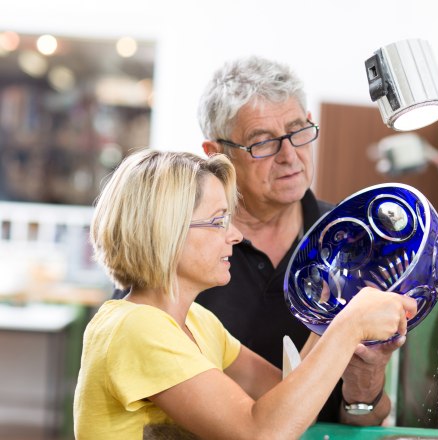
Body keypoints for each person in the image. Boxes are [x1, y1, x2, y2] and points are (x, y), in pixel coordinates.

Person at [74, 149, 416, 439]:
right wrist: (351, 326)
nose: (235, 235)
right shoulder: (135, 329)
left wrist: (334, 311)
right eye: (218, 221)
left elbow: (293, 406)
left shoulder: (198, 322)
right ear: (165, 232)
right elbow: (261, 432)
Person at [194, 56, 401, 425]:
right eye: (263, 143)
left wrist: (365, 381)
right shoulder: (185, 248)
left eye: (298, 131)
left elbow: (361, 421)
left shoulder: (357, 241)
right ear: (216, 155)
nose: (290, 156)